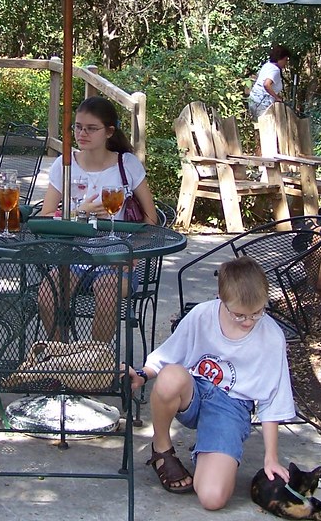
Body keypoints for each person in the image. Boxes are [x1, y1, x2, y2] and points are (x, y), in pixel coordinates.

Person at [130, 256, 295, 508]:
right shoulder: (202, 314)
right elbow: (168, 355)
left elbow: (272, 399)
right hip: (195, 390)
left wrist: (271, 457)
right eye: (239, 314)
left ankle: (212, 451)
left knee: (212, 498)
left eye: (257, 312)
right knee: (171, 376)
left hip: (232, 406)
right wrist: (143, 374)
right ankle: (162, 448)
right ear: (221, 299)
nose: (249, 322)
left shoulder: (271, 335)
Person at [38, 96, 158, 341]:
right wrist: (80, 213)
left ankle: (95, 365)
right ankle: (61, 357)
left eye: (91, 128)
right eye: (78, 127)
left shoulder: (127, 164)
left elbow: (151, 219)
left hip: (116, 257)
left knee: (106, 294)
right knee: (47, 296)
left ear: (109, 132)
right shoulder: (66, 164)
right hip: (73, 255)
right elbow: (45, 216)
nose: (82, 133)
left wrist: (131, 252)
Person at [247, 44, 292, 120]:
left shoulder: (267, 65)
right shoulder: (275, 70)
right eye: (286, 60)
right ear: (281, 59)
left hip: (254, 101)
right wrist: (277, 98)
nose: (286, 63)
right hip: (262, 104)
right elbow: (266, 84)